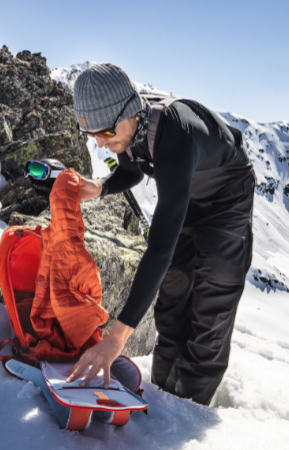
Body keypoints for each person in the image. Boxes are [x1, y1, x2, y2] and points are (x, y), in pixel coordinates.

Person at [65, 63, 255, 406]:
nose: (102, 144)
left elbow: (160, 248)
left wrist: (116, 337)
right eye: (92, 136)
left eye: (105, 133)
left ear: (128, 111)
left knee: (210, 309)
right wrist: (102, 187)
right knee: (171, 305)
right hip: (186, 196)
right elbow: (131, 169)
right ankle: (161, 399)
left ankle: (186, 414)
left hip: (227, 201)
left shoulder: (173, 133)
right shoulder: (130, 128)